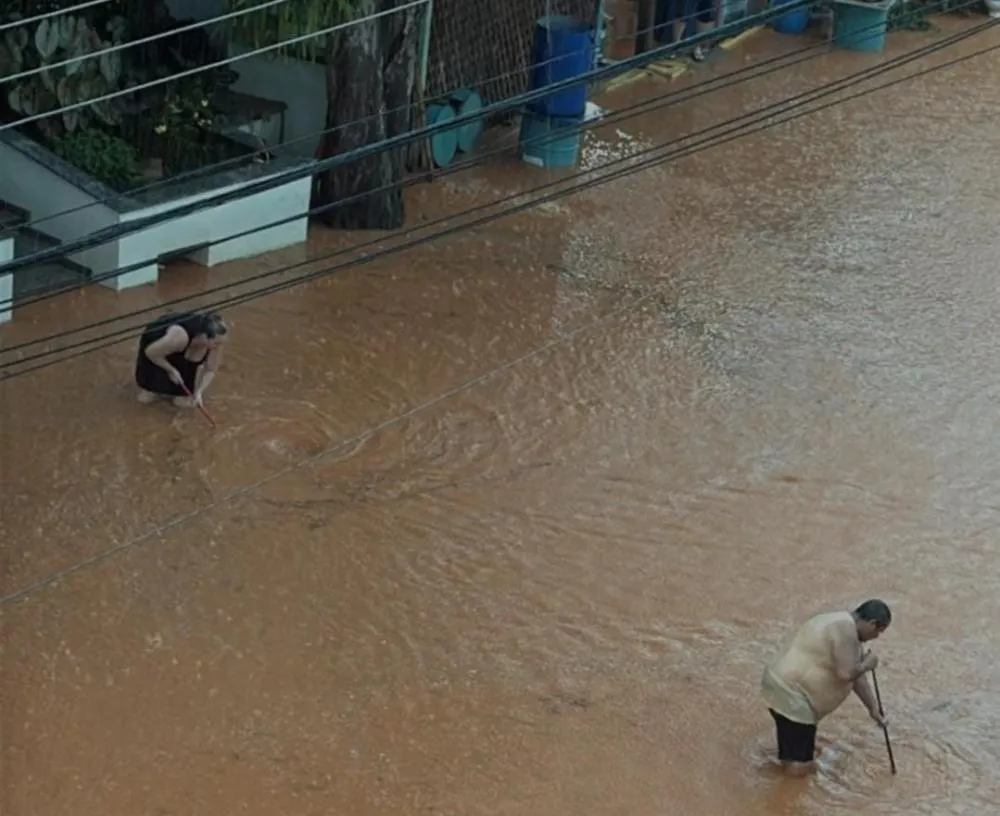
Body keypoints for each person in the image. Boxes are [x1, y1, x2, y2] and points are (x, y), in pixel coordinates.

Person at [760, 599, 892, 777]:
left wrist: (873, 709)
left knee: (792, 753)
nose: (876, 637)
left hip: (780, 687)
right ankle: (785, 798)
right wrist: (868, 664)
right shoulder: (847, 634)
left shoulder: (840, 623)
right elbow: (846, 674)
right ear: (872, 624)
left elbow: (857, 678)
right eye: (879, 632)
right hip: (795, 697)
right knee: (801, 768)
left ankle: (775, 776)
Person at [134, 311, 228, 409]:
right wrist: (170, 370)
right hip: (157, 351)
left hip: (182, 353)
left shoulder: (216, 339)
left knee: (184, 403)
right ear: (204, 337)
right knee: (146, 399)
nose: (218, 346)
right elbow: (150, 353)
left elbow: (210, 369)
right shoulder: (179, 337)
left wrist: (199, 392)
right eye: (216, 343)